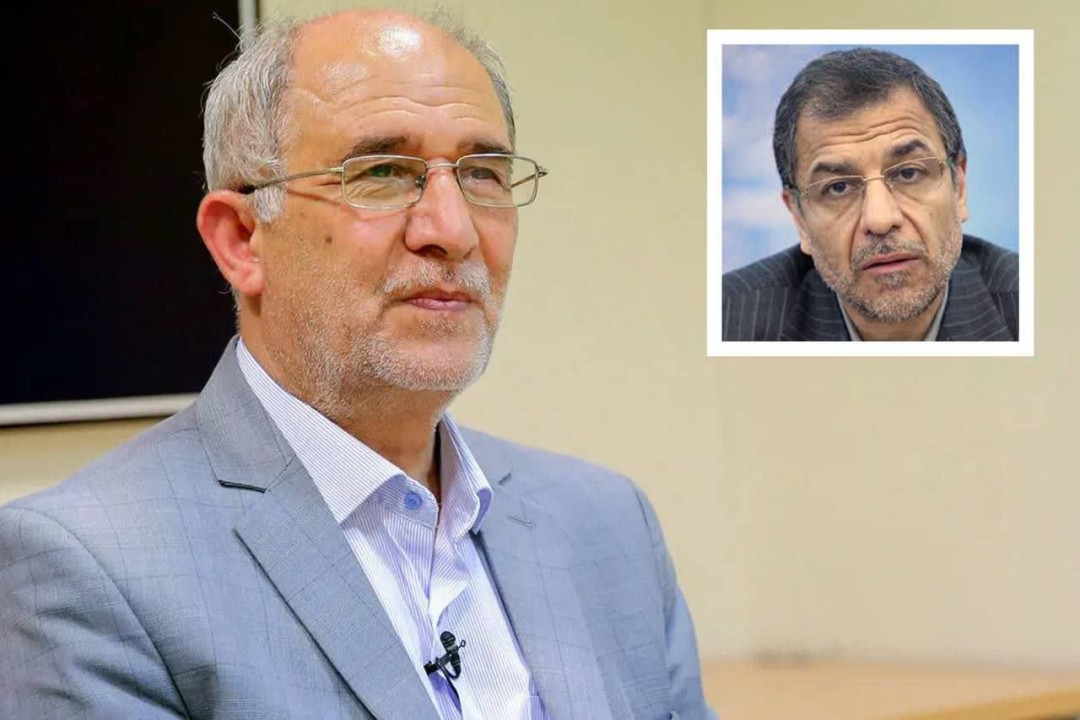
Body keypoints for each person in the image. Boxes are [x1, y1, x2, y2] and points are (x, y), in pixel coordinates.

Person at [0, 9, 714, 720]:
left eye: (483, 174)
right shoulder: (85, 569)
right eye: (382, 173)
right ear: (242, 239)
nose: (453, 230)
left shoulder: (607, 524)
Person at [722, 47, 1019, 341]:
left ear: (959, 187)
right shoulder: (724, 323)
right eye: (838, 187)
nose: (880, 220)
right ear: (799, 218)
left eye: (908, 173)